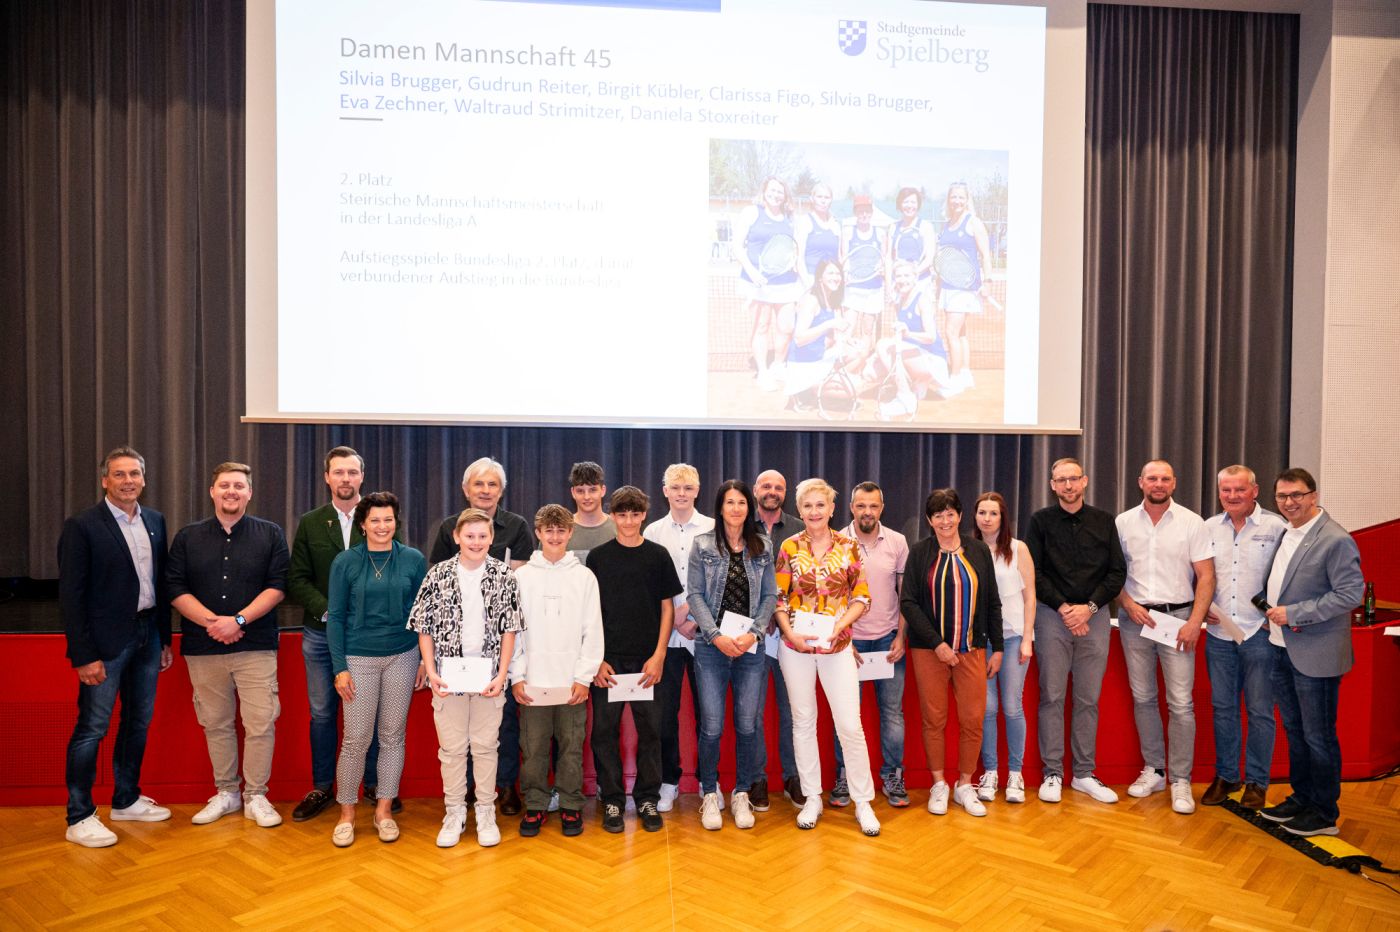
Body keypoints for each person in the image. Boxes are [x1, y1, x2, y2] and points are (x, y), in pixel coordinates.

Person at [59, 446, 173, 847]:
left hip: (148, 636)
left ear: (144, 479)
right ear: (105, 480)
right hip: (104, 645)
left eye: (134, 474)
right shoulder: (82, 526)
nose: (128, 481)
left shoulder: (155, 521)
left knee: (137, 722)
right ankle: (79, 816)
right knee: (92, 727)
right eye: (119, 474)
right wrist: (84, 655)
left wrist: (163, 638)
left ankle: (126, 799)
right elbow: (71, 597)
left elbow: (159, 584)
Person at [167, 462, 289, 829]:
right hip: (203, 648)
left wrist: (237, 621)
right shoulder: (187, 537)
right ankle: (226, 792)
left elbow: (278, 586)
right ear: (212, 491)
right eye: (224, 485)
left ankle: (256, 795)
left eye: (238, 485)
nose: (231, 491)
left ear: (249, 492)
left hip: (256, 646)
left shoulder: (270, 534)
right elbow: (174, 587)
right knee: (215, 724)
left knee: (260, 723)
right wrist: (214, 623)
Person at [286, 445, 400, 822]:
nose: (346, 478)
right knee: (322, 713)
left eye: (352, 472)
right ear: (327, 477)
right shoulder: (311, 522)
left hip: (371, 641)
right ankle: (322, 787)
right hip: (322, 634)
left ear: (361, 476)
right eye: (338, 472)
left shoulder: (378, 519)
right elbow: (297, 579)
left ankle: (374, 785)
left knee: (373, 714)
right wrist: (331, 611)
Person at [772, 478, 881, 837]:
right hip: (796, 649)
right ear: (799, 510)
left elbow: (862, 597)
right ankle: (812, 797)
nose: (814, 512)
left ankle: (863, 801)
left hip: (837, 647)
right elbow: (778, 598)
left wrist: (840, 626)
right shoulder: (789, 546)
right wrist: (790, 634)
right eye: (808, 506)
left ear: (833, 509)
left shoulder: (849, 547)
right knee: (803, 722)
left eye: (821, 505)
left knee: (850, 725)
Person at [1258, 468, 1363, 837]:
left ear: (1313, 496)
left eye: (1297, 495)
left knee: (1318, 736)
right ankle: (1302, 798)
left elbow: (1350, 594)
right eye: (1282, 496)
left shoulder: (1335, 539)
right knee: (1296, 730)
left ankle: (1323, 812)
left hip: (1315, 653)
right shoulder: (1287, 532)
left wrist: (1294, 614)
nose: (1289, 502)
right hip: (1280, 647)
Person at [409, 507, 522, 848]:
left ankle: (485, 811)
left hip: (489, 679)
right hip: (449, 679)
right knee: (452, 750)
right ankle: (454, 812)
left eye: (482, 536)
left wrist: (502, 674)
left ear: (492, 538)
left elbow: (510, 630)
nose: (476, 542)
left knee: (486, 748)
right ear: (457, 537)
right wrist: (431, 671)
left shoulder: (504, 575)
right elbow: (424, 628)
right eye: (469, 536)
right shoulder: (438, 574)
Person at [427, 457, 534, 815]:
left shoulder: (517, 526)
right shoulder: (448, 527)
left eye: (492, 485)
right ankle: (467, 792)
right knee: (460, 728)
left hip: (497, 646)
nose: (485, 491)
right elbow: (439, 586)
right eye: (479, 484)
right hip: (455, 650)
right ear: (465, 489)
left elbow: (517, 582)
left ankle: (504, 787)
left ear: (501, 491)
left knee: (503, 723)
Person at [326, 492, 427, 847]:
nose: (382, 526)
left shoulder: (413, 559)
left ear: (396, 522)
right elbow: (335, 617)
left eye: (388, 520)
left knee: (392, 737)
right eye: (375, 520)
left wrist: (424, 660)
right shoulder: (345, 562)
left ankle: (384, 811)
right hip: (358, 659)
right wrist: (340, 667)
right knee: (355, 740)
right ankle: (347, 813)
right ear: (363, 524)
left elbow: (423, 614)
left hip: (403, 656)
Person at [1115, 460, 1215, 815]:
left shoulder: (1192, 522)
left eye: (1165, 479)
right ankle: (1155, 770)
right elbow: (1112, 573)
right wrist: (1127, 604)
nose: (1158, 484)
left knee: (1181, 703)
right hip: (1135, 620)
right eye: (1152, 478)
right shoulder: (1123, 522)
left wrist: (1195, 621)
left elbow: (1206, 576)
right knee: (1143, 698)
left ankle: (1181, 779)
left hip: (1179, 620)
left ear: (1174, 483)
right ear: (1140, 482)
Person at [1024, 457, 1126, 805]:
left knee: (1088, 699)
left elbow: (1116, 572)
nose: (1067, 485)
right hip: (1053, 616)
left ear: (1084, 481)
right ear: (1052, 485)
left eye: (1073, 479)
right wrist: (1064, 608)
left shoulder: (1104, 521)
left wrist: (1089, 608)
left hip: (1094, 617)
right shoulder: (1040, 521)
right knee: (1052, 696)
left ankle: (1083, 773)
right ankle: (1052, 773)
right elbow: (1034, 572)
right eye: (1061, 480)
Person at [901, 488, 1004, 817]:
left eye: (950, 514)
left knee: (973, 719)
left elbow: (992, 602)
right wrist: (938, 644)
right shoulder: (920, 552)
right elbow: (908, 603)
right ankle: (939, 784)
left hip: (972, 649)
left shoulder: (978, 551)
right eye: (938, 515)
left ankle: (964, 785)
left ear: (960, 516)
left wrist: (998, 647)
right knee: (934, 719)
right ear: (929, 520)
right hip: (929, 651)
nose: (945, 521)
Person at [589, 486, 683, 834]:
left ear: (644, 515)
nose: (628, 521)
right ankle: (612, 799)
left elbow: (667, 608)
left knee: (652, 732)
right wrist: (596, 660)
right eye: (622, 514)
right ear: (613, 516)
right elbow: (590, 613)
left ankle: (646, 798)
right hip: (609, 663)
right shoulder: (598, 557)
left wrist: (659, 655)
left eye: (635, 514)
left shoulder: (658, 555)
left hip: (647, 663)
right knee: (604, 733)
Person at [686, 480, 778, 830]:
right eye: (729, 502)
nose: (736, 508)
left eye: (741, 502)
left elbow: (769, 596)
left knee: (747, 724)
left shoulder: (763, 546)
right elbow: (694, 595)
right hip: (712, 648)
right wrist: (715, 635)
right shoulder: (703, 544)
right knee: (711, 726)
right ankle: (710, 792)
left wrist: (754, 633)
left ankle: (741, 792)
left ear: (748, 507)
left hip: (750, 647)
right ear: (720, 508)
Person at [511, 505, 604, 838]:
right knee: (533, 747)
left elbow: (593, 630)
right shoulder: (521, 577)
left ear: (570, 533)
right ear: (538, 533)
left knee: (571, 747)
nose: (554, 536)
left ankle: (570, 804)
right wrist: (517, 675)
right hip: (532, 681)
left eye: (560, 530)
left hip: (571, 682)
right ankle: (536, 804)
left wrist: (584, 677)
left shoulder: (584, 577)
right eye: (548, 530)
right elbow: (513, 632)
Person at [1201, 465, 1286, 810]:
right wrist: (1200, 607)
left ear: (1255, 491)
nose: (1232, 496)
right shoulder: (1208, 528)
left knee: (1260, 711)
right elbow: (1197, 575)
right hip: (1219, 634)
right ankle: (1227, 776)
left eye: (1239, 489)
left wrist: (1274, 615)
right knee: (1223, 709)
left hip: (1259, 634)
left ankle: (1257, 782)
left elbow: (1289, 577)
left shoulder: (1276, 528)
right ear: (1219, 492)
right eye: (1226, 490)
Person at [831, 481, 910, 809]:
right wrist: (844, 639)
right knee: (846, 715)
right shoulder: (836, 541)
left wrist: (901, 636)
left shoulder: (898, 542)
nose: (867, 512)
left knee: (892, 713)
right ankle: (845, 776)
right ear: (851, 507)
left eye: (873, 506)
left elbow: (905, 594)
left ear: (882, 508)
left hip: (888, 641)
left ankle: (893, 776)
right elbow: (833, 598)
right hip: (849, 643)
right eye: (861, 506)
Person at [643, 463, 713, 814]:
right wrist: (673, 622)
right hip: (667, 640)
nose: (682, 493)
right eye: (675, 487)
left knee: (708, 714)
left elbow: (718, 582)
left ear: (697, 491)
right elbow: (649, 586)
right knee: (664, 716)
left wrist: (692, 618)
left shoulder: (713, 528)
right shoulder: (653, 532)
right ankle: (668, 781)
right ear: (665, 491)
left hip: (705, 637)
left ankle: (707, 782)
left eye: (688, 487)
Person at [973, 491, 1037, 804]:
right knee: (987, 709)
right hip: (979, 640)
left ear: (1003, 517)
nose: (987, 519)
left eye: (993, 513)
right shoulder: (967, 549)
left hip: (1012, 638)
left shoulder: (1017, 548)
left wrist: (1027, 638)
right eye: (982, 513)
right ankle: (990, 772)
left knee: (1012, 706)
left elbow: (1030, 596)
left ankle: (1015, 773)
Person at [751, 469, 803, 810]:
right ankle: (756, 778)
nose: (772, 492)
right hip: (752, 636)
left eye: (779, 487)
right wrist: (763, 616)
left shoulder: (799, 528)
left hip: (790, 636)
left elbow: (807, 582)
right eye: (766, 486)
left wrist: (780, 617)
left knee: (792, 711)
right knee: (752, 713)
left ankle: (793, 776)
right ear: (756, 490)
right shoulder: (741, 525)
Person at [732, 176, 804, 390]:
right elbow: (737, 246)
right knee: (761, 326)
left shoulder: (790, 218)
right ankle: (763, 372)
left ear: (785, 196)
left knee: (787, 327)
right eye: (771, 190)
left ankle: (778, 365)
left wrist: (799, 270)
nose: (775, 195)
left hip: (786, 283)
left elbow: (795, 249)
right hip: (758, 283)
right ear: (764, 192)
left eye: (780, 191)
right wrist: (752, 272)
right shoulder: (751, 212)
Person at [934, 181, 995, 394]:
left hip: (965, 288)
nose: (957, 201)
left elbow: (986, 255)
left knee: (950, 332)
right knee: (960, 332)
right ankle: (966, 373)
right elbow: (943, 258)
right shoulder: (945, 225)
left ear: (967, 200)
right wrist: (938, 288)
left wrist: (988, 281)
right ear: (948, 200)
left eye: (961, 197)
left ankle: (955, 377)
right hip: (948, 286)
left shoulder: (974, 223)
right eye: (954, 197)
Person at [780, 258, 857, 411]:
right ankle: (804, 391)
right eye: (830, 273)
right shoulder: (811, 300)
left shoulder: (832, 299)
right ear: (820, 277)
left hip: (819, 356)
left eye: (838, 274)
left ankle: (817, 389)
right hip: (803, 363)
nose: (835, 277)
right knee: (856, 387)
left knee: (857, 353)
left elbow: (835, 334)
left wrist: (847, 339)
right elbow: (799, 339)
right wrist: (828, 324)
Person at [876, 260, 954, 404]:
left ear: (915, 278)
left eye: (907, 276)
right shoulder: (899, 302)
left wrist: (908, 334)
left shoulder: (923, 300)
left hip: (933, 361)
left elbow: (931, 337)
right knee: (871, 370)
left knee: (882, 345)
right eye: (898, 276)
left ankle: (905, 394)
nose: (902, 280)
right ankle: (917, 383)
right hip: (916, 356)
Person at [840, 194, 889, 344]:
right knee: (848, 329)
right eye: (860, 211)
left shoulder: (880, 233)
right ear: (855, 212)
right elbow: (844, 258)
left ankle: (863, 356)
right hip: (853, 288)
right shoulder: (848, 232)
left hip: (873, 289)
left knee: (867, 331)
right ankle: (845, 357)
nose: (864, 214)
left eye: (867, 211)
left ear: (872, 212)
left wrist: (882, 269)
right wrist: (845, 274)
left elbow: (884, 259)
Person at [796, 182, 841, 289]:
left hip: (831, 282)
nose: (823, 201)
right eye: (819, 197)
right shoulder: (804, 221)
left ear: (831, 200)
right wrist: (808, 284)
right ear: (812, 199)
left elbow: (839, 257)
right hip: (809, 280)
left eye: (827, 197)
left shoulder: (836, 225)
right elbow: (799, 258)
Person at [565, 461, 615, 558]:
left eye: (593, 490)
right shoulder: (558, 531)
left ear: (603, 490)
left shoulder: (619, 528)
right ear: (573, 492)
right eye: (580, 491)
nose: (586, 497)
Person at [888, 186, 936, 287]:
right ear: (900, 204)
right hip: (899, 284)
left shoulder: (926, 226)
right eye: (905, 202)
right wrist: (891, 283)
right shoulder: (893, 227)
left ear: (918, 205)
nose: (909, 206)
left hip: (921, 283)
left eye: (913, 202)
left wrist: (912, 275)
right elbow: (889, 258)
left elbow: (929, 258)